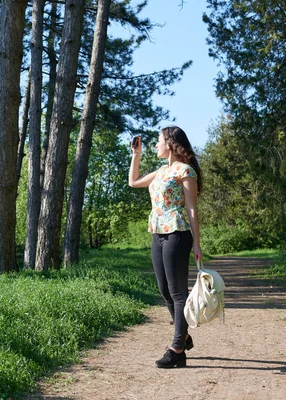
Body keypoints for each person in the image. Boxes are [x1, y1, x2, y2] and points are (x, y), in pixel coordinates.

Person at [128, 126, 203, 369]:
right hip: (158, 234)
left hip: (177, 234)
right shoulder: (161, 171)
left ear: (170, 144)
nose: (156, 145)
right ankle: (184, 336)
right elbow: (133, 182)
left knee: (178, 292)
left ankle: (177, 348)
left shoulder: (185, 171)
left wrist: (197, 244)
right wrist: (135, 155)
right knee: (164, 290)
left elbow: (192, 209)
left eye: (159, 141)